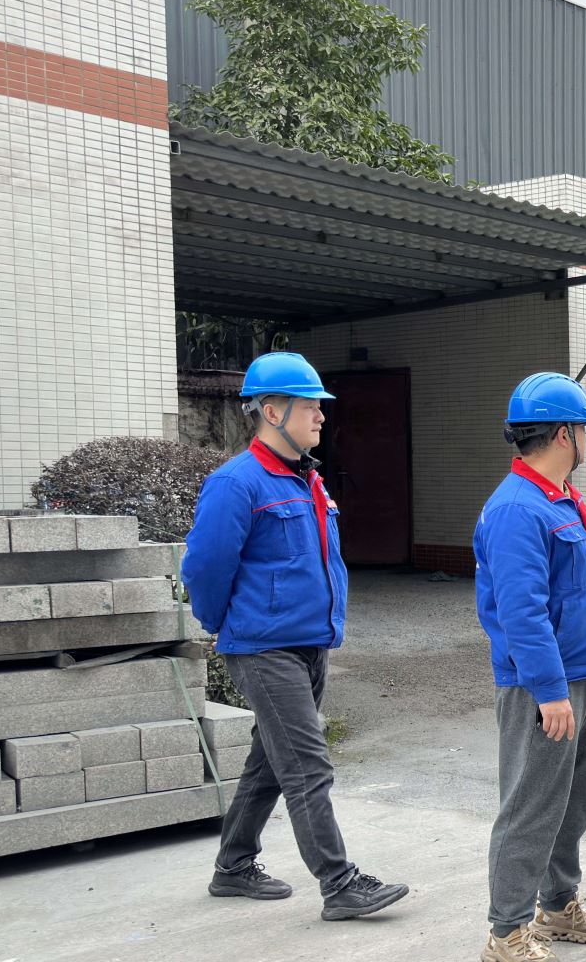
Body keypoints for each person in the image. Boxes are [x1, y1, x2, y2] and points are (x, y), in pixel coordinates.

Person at [182, 351, 409, 921]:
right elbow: (204, 568)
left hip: (309, 644)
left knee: (269, 761)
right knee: (308, 765)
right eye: (310, 406)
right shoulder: (236, 483)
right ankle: (340, 883)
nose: (321, 416)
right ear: (272, 411)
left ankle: (232, 866)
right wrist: (223, 625)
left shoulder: (308, 479)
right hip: (264, 648)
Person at [474, 372, 586, 962]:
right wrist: (549, 689)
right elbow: (522, 612)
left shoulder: (558, 498)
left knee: (574, 797)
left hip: (581, 674)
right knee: (531, 806)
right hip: (546, 686)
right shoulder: (518, 509)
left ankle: (558, 905)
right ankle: (506, 932)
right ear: (565, 434)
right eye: (584, 429)